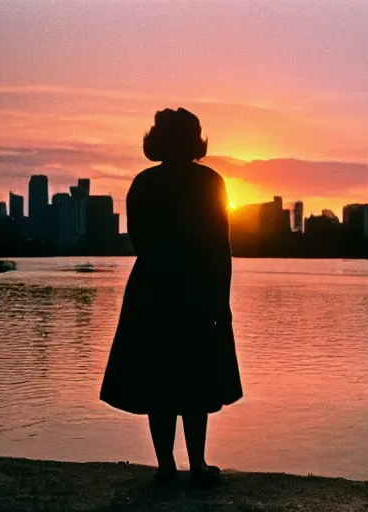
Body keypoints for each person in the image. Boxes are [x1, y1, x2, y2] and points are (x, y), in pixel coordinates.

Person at [100, 108, 243, 488]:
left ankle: (166, 466)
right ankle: (197, 465)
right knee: (195, 377)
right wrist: (221, 300)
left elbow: (139, 241)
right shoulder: (211, 182)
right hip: (198, 288)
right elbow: (219, 247)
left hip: (151, 289)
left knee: (158, 377)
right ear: (196, 141)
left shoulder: (143, 183)